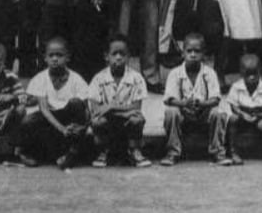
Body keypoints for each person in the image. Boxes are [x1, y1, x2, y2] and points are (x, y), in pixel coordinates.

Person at [19, 36, 90, 169]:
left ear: (68, 57)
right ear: (45, 58)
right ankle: (28, 153)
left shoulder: (76, 79)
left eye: (59, 55)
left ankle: (72, 152)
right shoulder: (40, 79)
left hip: (68, 119)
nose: (55, 59)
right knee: (28, 121)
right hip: (50, 120)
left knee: (76, 103)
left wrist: (81, 127)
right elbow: (44, 109)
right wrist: (62, 129)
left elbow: (85, 108)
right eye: (51, 55)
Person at [161, 32, 227, 166]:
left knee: (218, 113)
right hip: (183, 114)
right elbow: (169, 99)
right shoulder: (175, 73)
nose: (193, 55)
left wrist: (203, 103)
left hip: (203, 113)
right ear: (182, 53)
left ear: (203, 54)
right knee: (171, 112)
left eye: (197, 51)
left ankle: (217, 152)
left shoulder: (209, 73)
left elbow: (215, 99)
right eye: (189, 51)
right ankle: (173, 152)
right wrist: (183, 103)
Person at [87, 34, 152, 168]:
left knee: (137, 119)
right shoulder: (98, 79)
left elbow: (136, 107)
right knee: (97, 121)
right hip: (108, 124)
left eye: (122, 54)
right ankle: (103, 151)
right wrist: (121, 110)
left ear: (128, 57)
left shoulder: (136, 78)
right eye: (114, 54)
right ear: (106, 57)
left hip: (126, 123)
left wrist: (110, 108)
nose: (118, 57)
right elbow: (95, 109)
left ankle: (134, 150)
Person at [223, 53, 262, 166]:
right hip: (243, 116)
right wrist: (242, 114)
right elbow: (233, 105)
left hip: (259, 116)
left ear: (260, 72)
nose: (252, 77)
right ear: (241, 73)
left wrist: (260, 116)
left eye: (255, 74)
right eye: (248, 74)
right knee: (232, 119)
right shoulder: (236, 86)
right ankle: (233, 152)